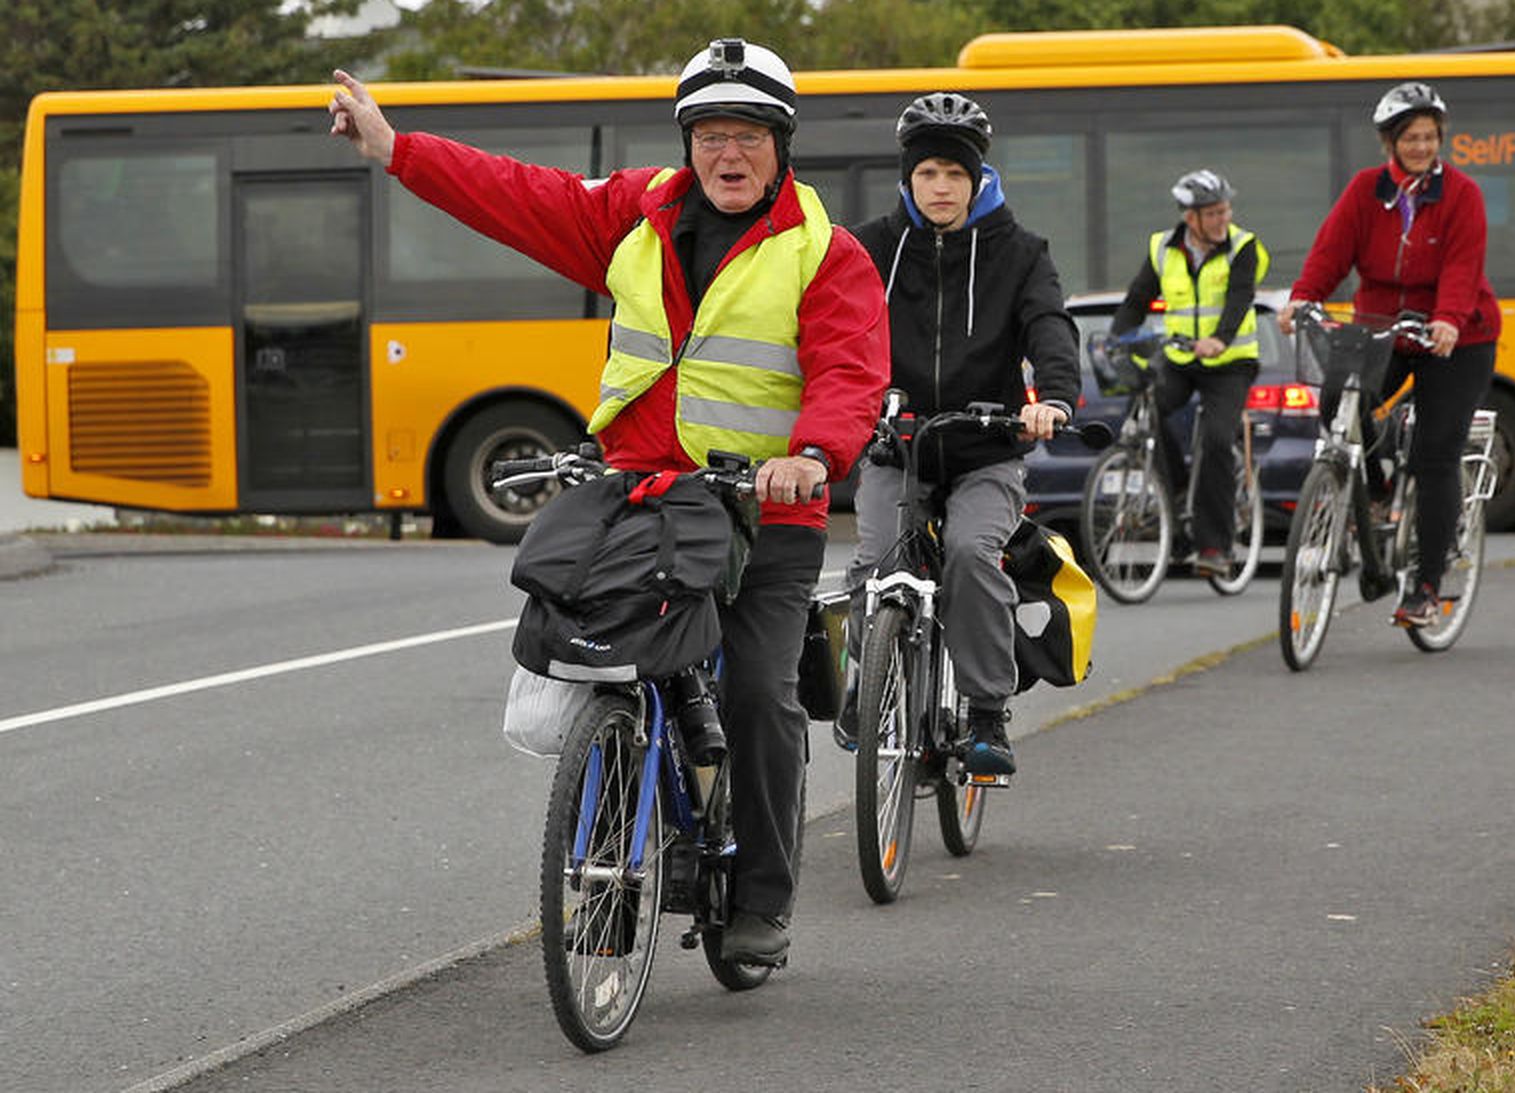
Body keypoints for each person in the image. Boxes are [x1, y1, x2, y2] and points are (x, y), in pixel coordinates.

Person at [329, 39, 890, 966]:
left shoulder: (825, 255)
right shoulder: (637, 214)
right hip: (645, 498)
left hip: (763, 512)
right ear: (688, 143)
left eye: (748, 134)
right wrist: (397, 149)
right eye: (710, 134)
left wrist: (813, 454)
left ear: (781, 143)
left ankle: (762, 898)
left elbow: (848, 372)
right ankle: (611, 865)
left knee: (756, 692)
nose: (728, 154)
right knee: (599, 665)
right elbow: (517, 195)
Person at [842, 91, 1080, 777]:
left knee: (975, 556)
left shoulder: (1021, 251)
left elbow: (1049, 326)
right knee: (879, 560)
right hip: (897, 445)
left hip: (986, 450)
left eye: (954, 172)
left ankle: (984, 710)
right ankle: (870, 675)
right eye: (927, 173)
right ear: (907, 178)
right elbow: (828, 328)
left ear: (976, 177)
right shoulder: (867, 247)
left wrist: (1054, 397)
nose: (941, 187)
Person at [1278, 81, 1500, 628]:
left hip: (1457, 336)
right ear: (1390, 143)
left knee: (1434, 456)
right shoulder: (1364, 191)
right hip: (1382, 327)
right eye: (1411, 138)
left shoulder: (1462, 195)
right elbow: (1331, 252)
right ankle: (1374, 491)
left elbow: (1463, 266)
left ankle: (1425, 587)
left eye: (1430, 137)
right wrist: (1303, 297)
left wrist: (1448, 318)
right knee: (1336, 398)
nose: (1422, 146)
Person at [1109, 168, 1269, 580]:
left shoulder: (1243, 247)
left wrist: (1219, 338)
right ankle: (1176, 493)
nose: (1222, 220)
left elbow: (1239, 298)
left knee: (1216, 440)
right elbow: (1136, 299)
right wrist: (1115, 340)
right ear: (1190, 217)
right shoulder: (1163, 248)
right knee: (1146, 410)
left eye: (1225, 211)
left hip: (1230, 362)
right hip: (1181, 359)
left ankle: (1214, 545)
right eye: (1213, 214)